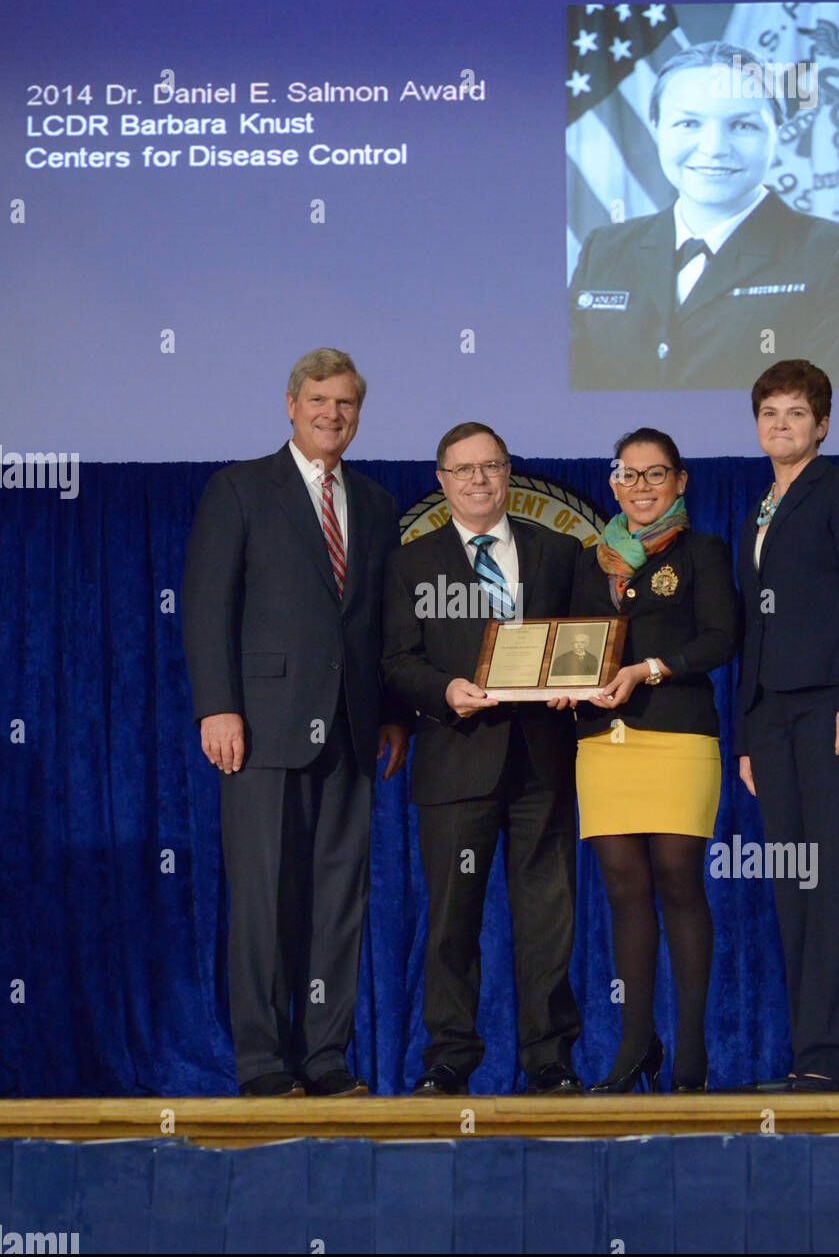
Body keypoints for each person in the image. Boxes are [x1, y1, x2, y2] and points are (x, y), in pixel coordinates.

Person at [182, 348, 407, 1098]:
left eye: (344, 403)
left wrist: (393, 716)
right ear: (289, 404)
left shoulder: (374, 502)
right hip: (262, 728)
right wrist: (219, 705)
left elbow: (379, 623)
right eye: (317, 400)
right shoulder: (240, 489)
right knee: (263, 896)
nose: (330, 414)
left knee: (338, 900)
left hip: (351, 729)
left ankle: (325, 1057)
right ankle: (262, 1060)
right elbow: (209, 606)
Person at [381, 423, 583, 1096]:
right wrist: (444, 691)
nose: (477, 479)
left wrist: (572, 690)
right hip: (455, 761)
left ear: (508, 472)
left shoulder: (560, 551)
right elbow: (396, 660)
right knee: (451, 922)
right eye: (462, 469)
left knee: (548, 919)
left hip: (543, 762)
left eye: (490, 466)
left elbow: (590, 643)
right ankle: (448, 1059)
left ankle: (549, 1061)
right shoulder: (412, 562)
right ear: (441, 481)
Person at [560, 428, 738, 1093]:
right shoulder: (587, 561)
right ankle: (636, 1044)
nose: (641, 486)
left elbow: (723, 636)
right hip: (601, 741)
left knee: (678, 880)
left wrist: (650, 669)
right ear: (613, 483)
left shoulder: (703, 553)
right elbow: (573, 646)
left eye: (655, 474)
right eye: (628, 475)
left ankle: (690, 1050)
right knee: (623, 888)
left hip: (677, 736)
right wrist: (566, 686)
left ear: (681, 481)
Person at [736, 359, 839, 1093]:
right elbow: (751, 630)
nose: (781, 426)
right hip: (774, 721)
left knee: (838, 885)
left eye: (795, 413)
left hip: (834, 709)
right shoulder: (759, 509)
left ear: (822, 424)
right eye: (770, 413)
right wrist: (748, 731)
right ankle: (808, 1060)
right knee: (794, 885)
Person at [569, 41, 839, 391]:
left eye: (743, 126)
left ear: (778, 132)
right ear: (656, 130)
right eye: (688, 123)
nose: (714, 147)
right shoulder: (603, 250)